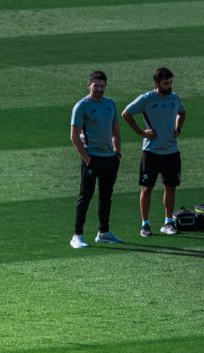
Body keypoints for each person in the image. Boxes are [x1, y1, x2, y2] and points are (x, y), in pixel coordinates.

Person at [122, 67, 186, 237]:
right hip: (151, 152)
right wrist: (141, 132)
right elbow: (126, 113)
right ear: (156, 83)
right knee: (146, 189)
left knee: (171, 188)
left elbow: (182, 112)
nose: (170, 85)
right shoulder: (146, 99)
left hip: (171, 151)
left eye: (171, 82)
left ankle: (168, 222)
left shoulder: (174, 98)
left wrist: (178, 129)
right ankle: (145, 224)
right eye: (166, 83)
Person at [69, 70, 124, 249]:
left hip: (109, 159)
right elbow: (74, 136)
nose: (99, 89)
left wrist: (117, 153)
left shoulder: (110, 104)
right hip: (92, 158)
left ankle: (104, 232)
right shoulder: (82, 106)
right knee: (85, 196)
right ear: (89, 85)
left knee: (106, 197)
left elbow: (116, 131)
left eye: (102, 86)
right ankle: (77, 235)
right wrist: (87, 159)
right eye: (96, 86)